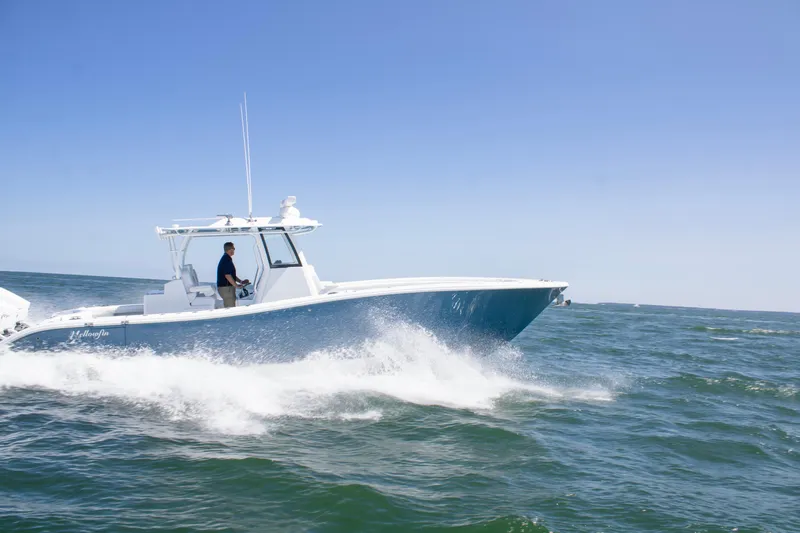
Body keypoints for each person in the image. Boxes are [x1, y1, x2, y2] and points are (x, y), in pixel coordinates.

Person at [217, 242, 249, 308]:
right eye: (233, 248)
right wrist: (236, 285)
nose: (234, 250)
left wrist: (240, 281)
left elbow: (231, 275)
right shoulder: (226, 259)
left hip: (227, 288)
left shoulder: (226, 258)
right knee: (230, 309)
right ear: (230, 249)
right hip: (226, 289)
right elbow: (227, 275)